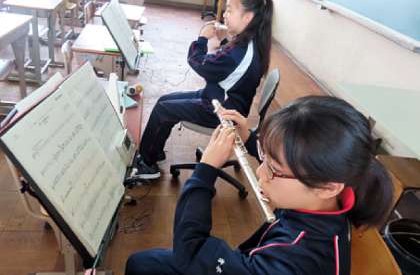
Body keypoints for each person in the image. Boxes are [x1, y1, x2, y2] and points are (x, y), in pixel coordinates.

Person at [125, 95, 395, 275]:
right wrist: (250, 138)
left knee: (143, 265)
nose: (260, 172)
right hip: (252, 258)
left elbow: (191, 250)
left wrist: (205, 170)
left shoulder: (292, 261)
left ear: (327, 186)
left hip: (252, 265)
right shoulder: (329, 199)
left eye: (273, 169)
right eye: (265, 158)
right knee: (142, 263)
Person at [133, 0, 273, 180]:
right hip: (222, 99)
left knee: (163, 110)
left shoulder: (237, 53)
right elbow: (227, 67)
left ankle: (148, 165)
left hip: (221, 111)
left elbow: (199, 62)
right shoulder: (250, 43)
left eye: (230, 10)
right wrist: (224, 41)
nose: (224, 15)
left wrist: (202, 38)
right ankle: (153, 151)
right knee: (164, 100)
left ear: (248, 18)